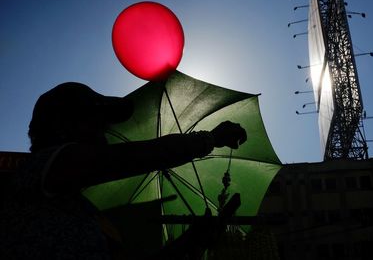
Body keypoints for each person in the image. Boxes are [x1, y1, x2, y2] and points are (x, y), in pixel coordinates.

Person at [0, 82, 247, 259]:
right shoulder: (39, 169)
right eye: (96, 123)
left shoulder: (83, 213)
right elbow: (135, 157)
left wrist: (189, 241)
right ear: (63, 126)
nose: (104, 134)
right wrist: (211, 138)